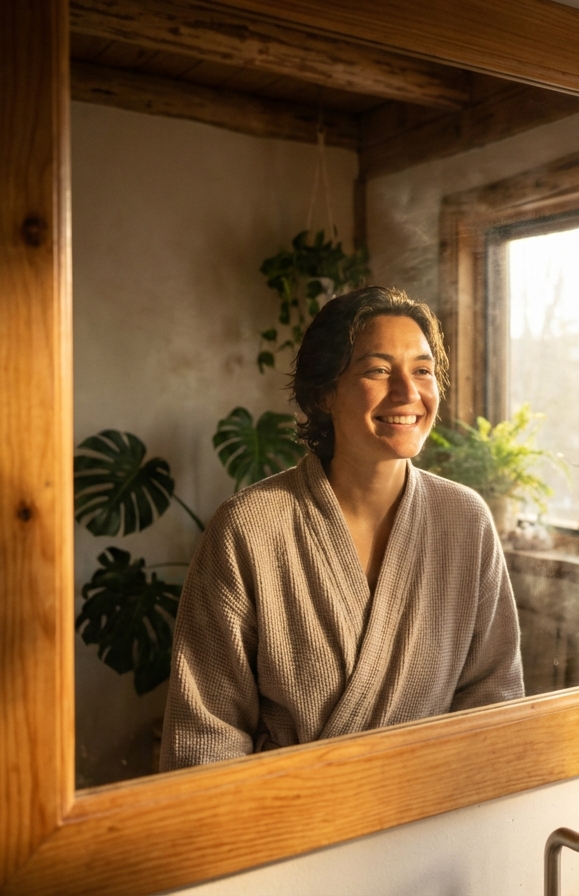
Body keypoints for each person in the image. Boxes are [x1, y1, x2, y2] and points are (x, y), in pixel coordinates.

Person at [161, 287, 523, 770]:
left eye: (422, 370)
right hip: (291, 826)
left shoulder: (465, 520)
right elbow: (206, 736)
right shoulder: (249, 530)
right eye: (378, 370)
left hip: (431, 820)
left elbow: (494, 703)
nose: (408, 393)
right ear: (324, 393)